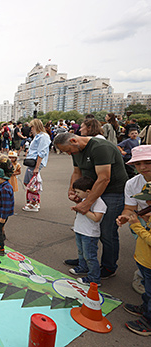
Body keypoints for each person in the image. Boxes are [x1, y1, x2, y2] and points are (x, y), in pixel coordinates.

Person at [53, 132, 128, 279]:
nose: (68, 154)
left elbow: (104, 178)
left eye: (68, 150)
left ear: (74, 140)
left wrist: (86, 203)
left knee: (107, 232)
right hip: (90, 190)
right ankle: (85, 260)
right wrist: (72, 190)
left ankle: (109, 267)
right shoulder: (76, 150)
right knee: (85, 228)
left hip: (112, 192)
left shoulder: (100, 148)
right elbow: (77, 172)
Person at [116, 145, 151, 295]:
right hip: (142, 220)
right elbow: (130, 208)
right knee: (144, 252)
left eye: (148, 162)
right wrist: (125, 216)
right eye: (137, 163)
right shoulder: (132, 183)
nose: (142, 167)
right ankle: (142, 276)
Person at [122, 184, 151, 336]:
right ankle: (145, 308)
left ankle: (148, 322)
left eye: (149, 201)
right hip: (144, 260)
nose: (147, 204)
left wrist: (137, 226)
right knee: (147, 291)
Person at [68, 176, 107, 286]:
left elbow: (96, 218)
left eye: (78, 192)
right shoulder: (85, 200)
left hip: (89, 234)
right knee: (81, 252)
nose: (77, 194)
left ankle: (94, 278)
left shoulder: (99, 203)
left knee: (90, 256)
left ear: (88, 192)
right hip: (80, 230)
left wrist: (82, 209)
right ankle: (82, 267)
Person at [22, 119, 51, 212]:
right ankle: (33, 202)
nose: (31, 129)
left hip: (35, 163)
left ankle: (34, 203)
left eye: (32, 127)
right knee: (29, 183)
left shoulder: (43, 137)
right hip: (33, 162)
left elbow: (41, 153)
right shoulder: (39, 136)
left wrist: (37, 167)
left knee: (32, 184)